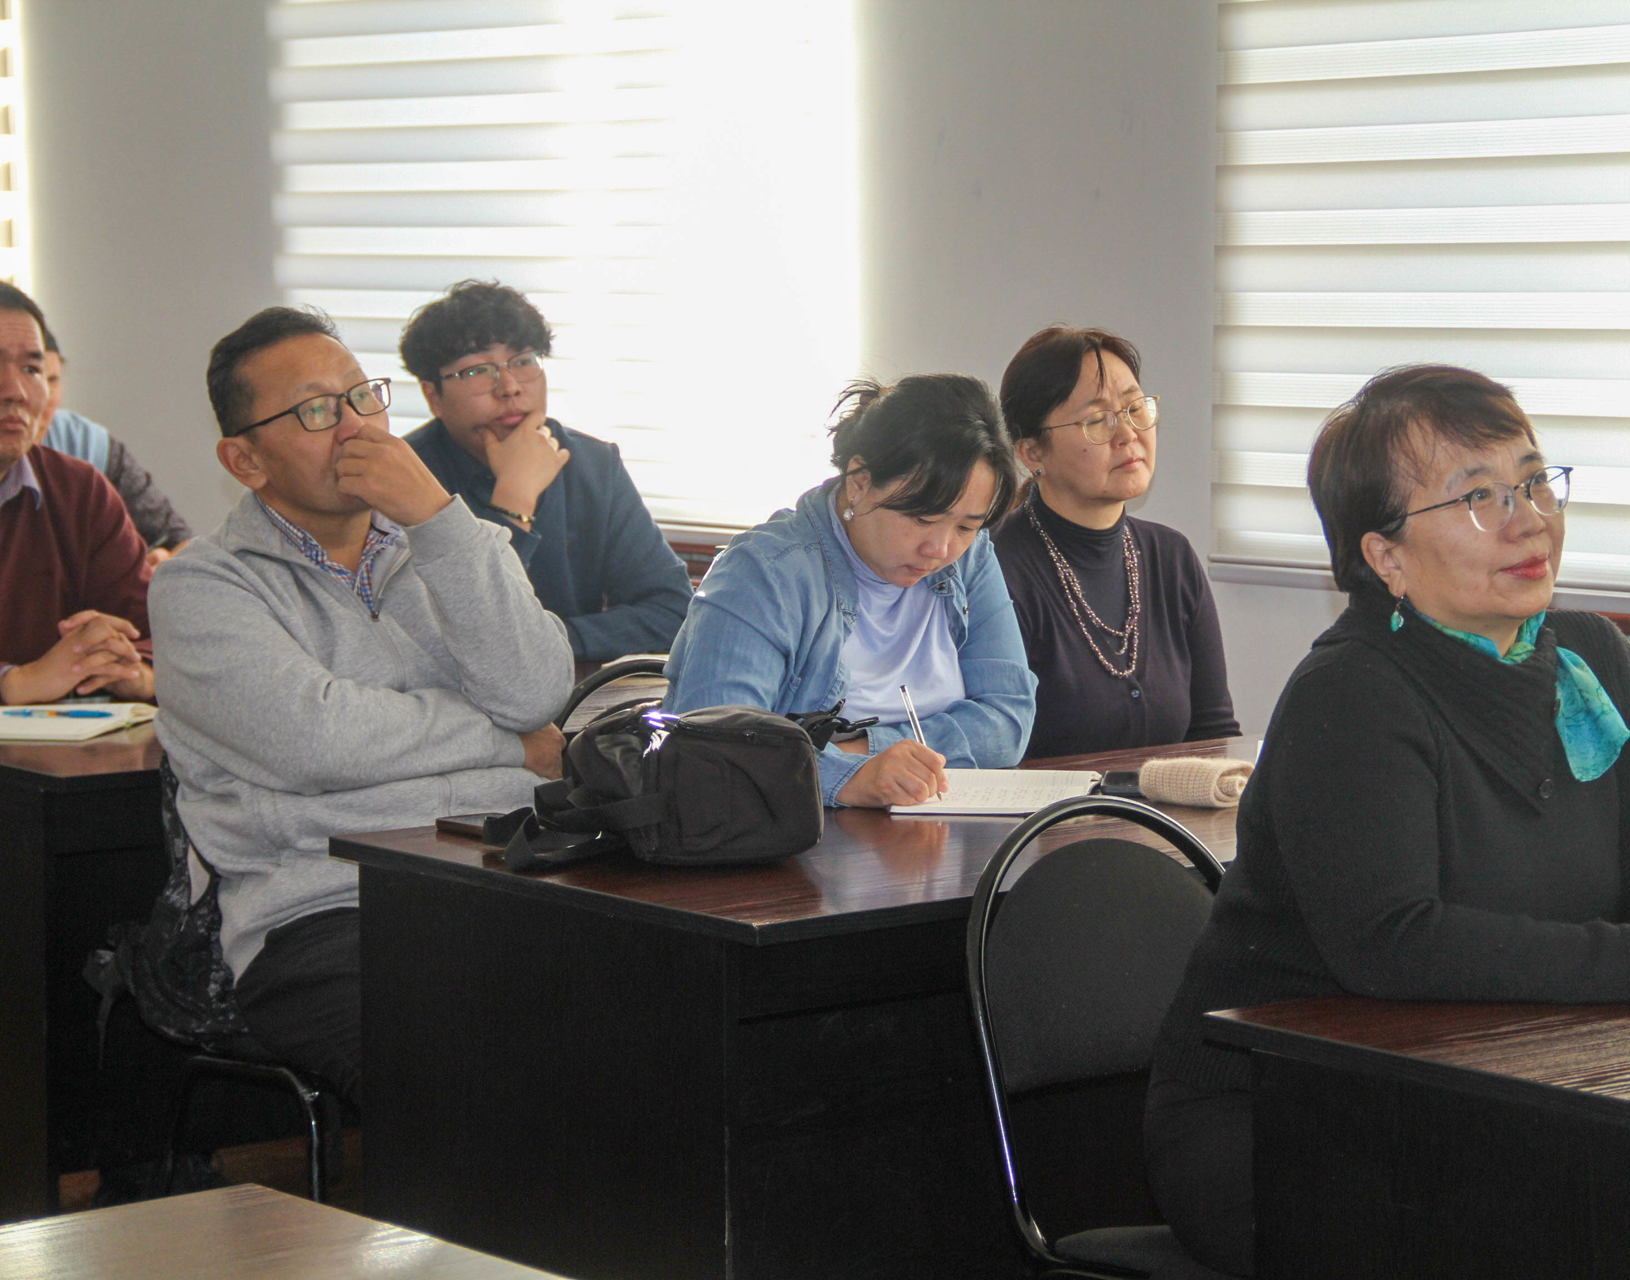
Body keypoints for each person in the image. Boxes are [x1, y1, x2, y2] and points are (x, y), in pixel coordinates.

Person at [1144, 364, 1630, 1276]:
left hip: (1524, 1082)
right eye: (1477, 497)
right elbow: (1394, 944)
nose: (1528, 519)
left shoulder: (1593, 657)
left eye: (1534, 482)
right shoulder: (1352, 693)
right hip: (1301, 1116)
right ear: (1385, 557)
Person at [150, 305, 574, 1107]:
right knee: (464, 1077)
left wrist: (440, 520)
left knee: (662, 1029)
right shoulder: (202, 586)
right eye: (316, 410)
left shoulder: (443, 546)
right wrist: (508, 746)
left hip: (506, 876)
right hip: (326, 913)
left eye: (361, 397)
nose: (354, 428)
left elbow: (534, 692)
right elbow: (317, 741)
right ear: (244, 460)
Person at [664, 374, 1035, 808]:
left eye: (967, 527)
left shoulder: (970, 558)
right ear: (859, 481)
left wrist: (865, 751)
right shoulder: (764, 573)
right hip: (787, 836)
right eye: (922, 519)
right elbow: (714, 751)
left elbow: (1009, 720)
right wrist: (848, 776)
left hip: (924, 825)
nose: (940, 549)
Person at [400, 280, 692, 660]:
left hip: (570, 684)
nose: (509, 387)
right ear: (432, 396)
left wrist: (546, 644)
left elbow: (673, 611)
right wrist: (514, 497)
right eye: (476, 371)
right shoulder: (405, 480)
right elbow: (435, 643)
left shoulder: (592, 464)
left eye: (523, 361)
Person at [995, 326, 1238, 757]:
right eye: (1096, 421)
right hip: (1046, 804)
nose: (1128, 434)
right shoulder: (996, 569)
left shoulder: (1172, 558)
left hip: (1167, 802)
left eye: (1134, 408)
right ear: (1032, 453)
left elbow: (1213, 734)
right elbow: (998, 756)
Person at [0, 283, 154, 705]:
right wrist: (13, 683)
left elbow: (150, 633)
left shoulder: (79, 491)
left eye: (32, 369)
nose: (16, 391)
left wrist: (134, 672)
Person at [39, 329, 194, 563]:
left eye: (52, 380)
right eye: (29, 373)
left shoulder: (86, 444)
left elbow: (177, 540)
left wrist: (163, 563)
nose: (39, 396)